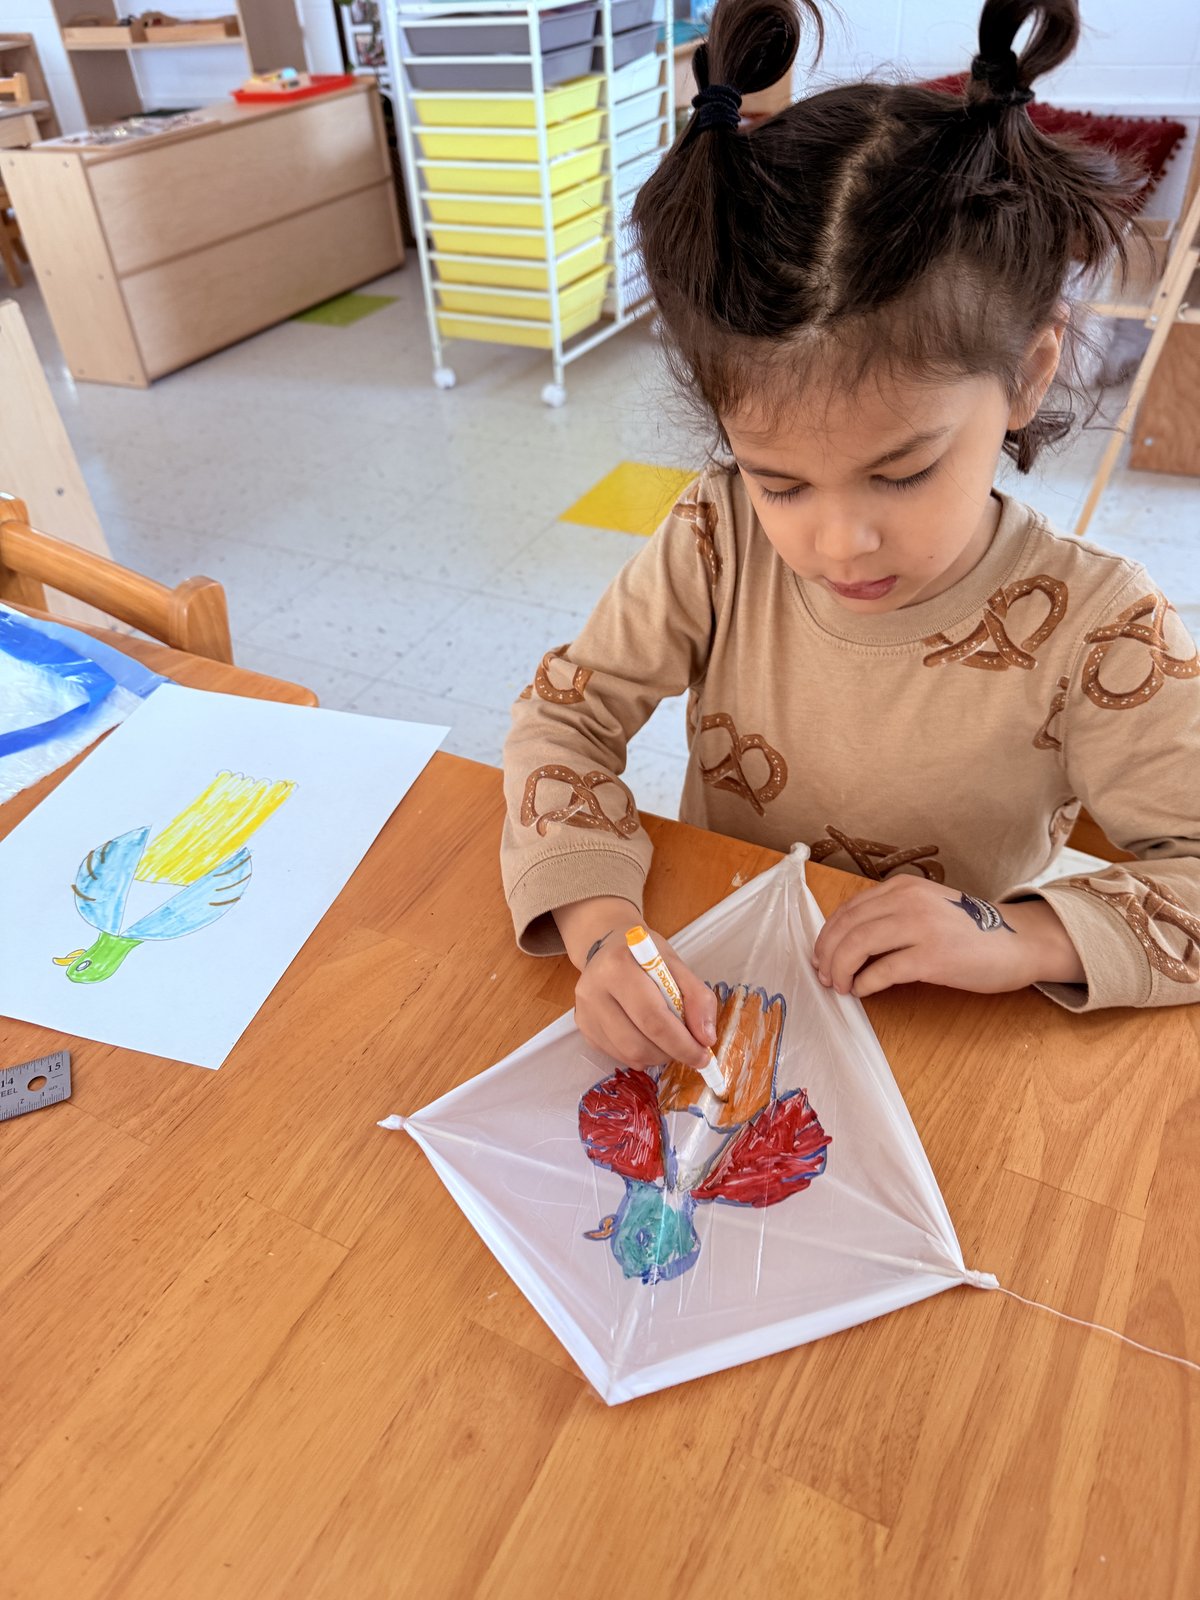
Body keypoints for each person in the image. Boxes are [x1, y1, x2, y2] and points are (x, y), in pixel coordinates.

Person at [501, 0, 1200, 1074]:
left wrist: (1023, 935)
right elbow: (567, 714)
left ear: (1028, 372)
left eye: (904, 470)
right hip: (726, 998)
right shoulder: (716, 538)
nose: (840, 543)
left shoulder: (1103, 631)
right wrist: (602, 930)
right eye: (780, 481)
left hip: (948, 1042)